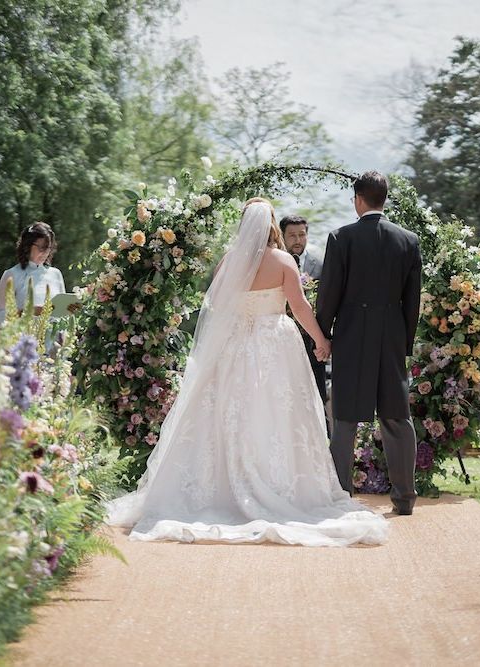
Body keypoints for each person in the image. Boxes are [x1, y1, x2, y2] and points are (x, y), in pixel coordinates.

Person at [107, 198, 388, 546]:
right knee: (276, 413)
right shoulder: (284, 260)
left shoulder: (228, 262)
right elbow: (298, 306)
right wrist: (321, 340)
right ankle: (278, 483)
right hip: (275, 343)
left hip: (236, 345)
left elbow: (217, 308)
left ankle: (226, 483)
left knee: (232, 412)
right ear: (272, 224)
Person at [316, 171, 422, 516]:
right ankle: (405, 498)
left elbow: (329, 292)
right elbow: (413, 300)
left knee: (345, 418)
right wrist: (402, 344)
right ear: (384, 199)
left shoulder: (340, 237)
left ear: (358, 200)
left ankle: (340, 498)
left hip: (351, 335)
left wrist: (323, 335)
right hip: (391, 334)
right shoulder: (408, 240)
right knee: (396, 418)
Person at [280, 214, 328, 419]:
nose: (298, 240)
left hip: (312, 337)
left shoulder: (321, 262)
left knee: (316, 392)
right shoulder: (275, 261)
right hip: (281, 336)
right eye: (292, 235)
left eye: (302, 235)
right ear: (282, 236)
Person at [0, 222, 66, 337]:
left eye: (48, 248)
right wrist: (27, 312)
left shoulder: (56, 274)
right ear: (27, 245)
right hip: (24, 343)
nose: (45, 253)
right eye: (42, 248)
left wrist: (70, 309)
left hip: (53, 344)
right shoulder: (11, 275)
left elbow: (63, 315)